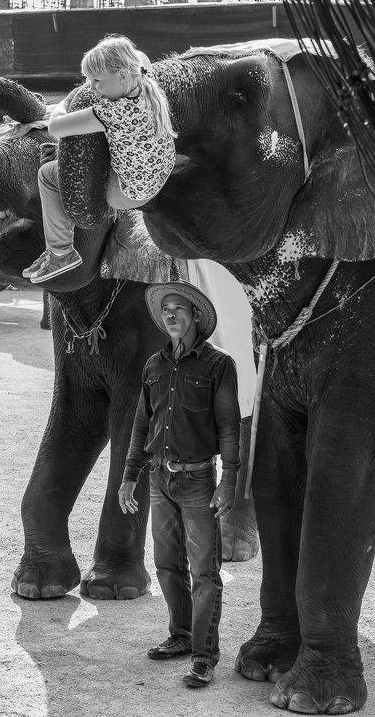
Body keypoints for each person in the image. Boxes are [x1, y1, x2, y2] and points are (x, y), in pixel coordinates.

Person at [118, 280, 241, 688]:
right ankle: (182, 636)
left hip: (199, 480)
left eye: (179, 309)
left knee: (204, 572)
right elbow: (142, 425)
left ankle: (204, 657)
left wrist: (230, 479)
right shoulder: (153, 365)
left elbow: (228, 426)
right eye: (165, 309)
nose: (170, 315)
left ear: (196, 317)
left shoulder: (219, 365)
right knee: (167, 564)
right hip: (158, 477)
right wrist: (128, 476)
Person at [23, 35, 177, 284]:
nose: (91, 87)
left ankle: (61, 252)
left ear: (123, 76)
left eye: (96, 81)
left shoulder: (112, 111)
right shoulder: (147, 82)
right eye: (88, 80)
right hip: (156, 180)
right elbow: (139, 57)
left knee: (48, 174)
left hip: (127, 194)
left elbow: (56, 127)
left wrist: (66, 100)